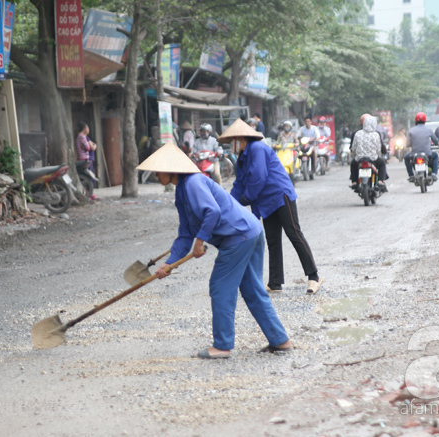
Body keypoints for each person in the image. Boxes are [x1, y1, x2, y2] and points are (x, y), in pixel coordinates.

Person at [137, 142, 292, 359]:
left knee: (220, 286)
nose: (155, 175)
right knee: (252, 289)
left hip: (239, 236)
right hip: (250, 231)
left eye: (157, 170)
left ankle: (222, 345)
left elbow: (212, 212)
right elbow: (184, 234)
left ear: (171, 169)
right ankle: (280, 340)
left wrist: (200, 241)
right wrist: (169, 263)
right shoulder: (183, 190)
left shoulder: (192, 182)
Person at [220, 119, 323, 295]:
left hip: (279, 194)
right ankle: (275, 282)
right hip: (264, 201)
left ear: (241, 138)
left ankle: (314, 276)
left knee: (294, 233)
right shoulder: (241, 160)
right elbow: (239, 184)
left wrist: (245, 198)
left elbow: (258, 178)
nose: (231, 146)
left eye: (232, 141)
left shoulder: (257, 149)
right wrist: (228, 203)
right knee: (272, 240)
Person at [349, 115, 387, 191]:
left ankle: (354, 182)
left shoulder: (358, 134)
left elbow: (353, 148)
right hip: (373, 158)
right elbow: (379, 149)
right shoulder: (376, 134)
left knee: (353, 165)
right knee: (382, 164)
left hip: (359, 158)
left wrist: (355, 153)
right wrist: (378, 155)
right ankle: (380, 181)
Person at [405, 112, 439, 182]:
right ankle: (434, 174)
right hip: (427, 154)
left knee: (406, 157)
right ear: (424, 120)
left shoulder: (411, 130)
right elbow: (436, 141)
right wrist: (436, 143)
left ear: (415, 120)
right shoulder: (429, 130)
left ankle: (411, 175)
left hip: (414, 154)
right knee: (435, 156)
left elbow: (408, 144)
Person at [75, 121, 99, 199]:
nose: (88, 129)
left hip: (82, 157)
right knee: (89, 176)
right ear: (85, 128)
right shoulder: (82, 137)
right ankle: (89, 193)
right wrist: (91, 146)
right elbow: (89, 148)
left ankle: (89, 193)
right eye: (87, 127)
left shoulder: (79, 137)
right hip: (84, 158)